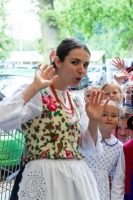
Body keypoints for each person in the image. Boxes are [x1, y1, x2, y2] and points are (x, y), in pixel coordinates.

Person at [0, 38, 101, 199]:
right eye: (75, 62)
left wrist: (94, 121)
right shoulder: (38, 93)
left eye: (86, 65)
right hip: (43, 174)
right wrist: (34, 87)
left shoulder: (76, 101)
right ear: (57, 61)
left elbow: (86, 146)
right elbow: (3, 118)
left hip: (75, 178)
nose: (82, 70)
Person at [80, 100, 123, 200]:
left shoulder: (119, 147)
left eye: (113, 115)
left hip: (101, 190)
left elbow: (116, 176)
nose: (109, 118)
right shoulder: (85, 138)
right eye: (104, 114)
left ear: (118, 120)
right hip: (81, 183)